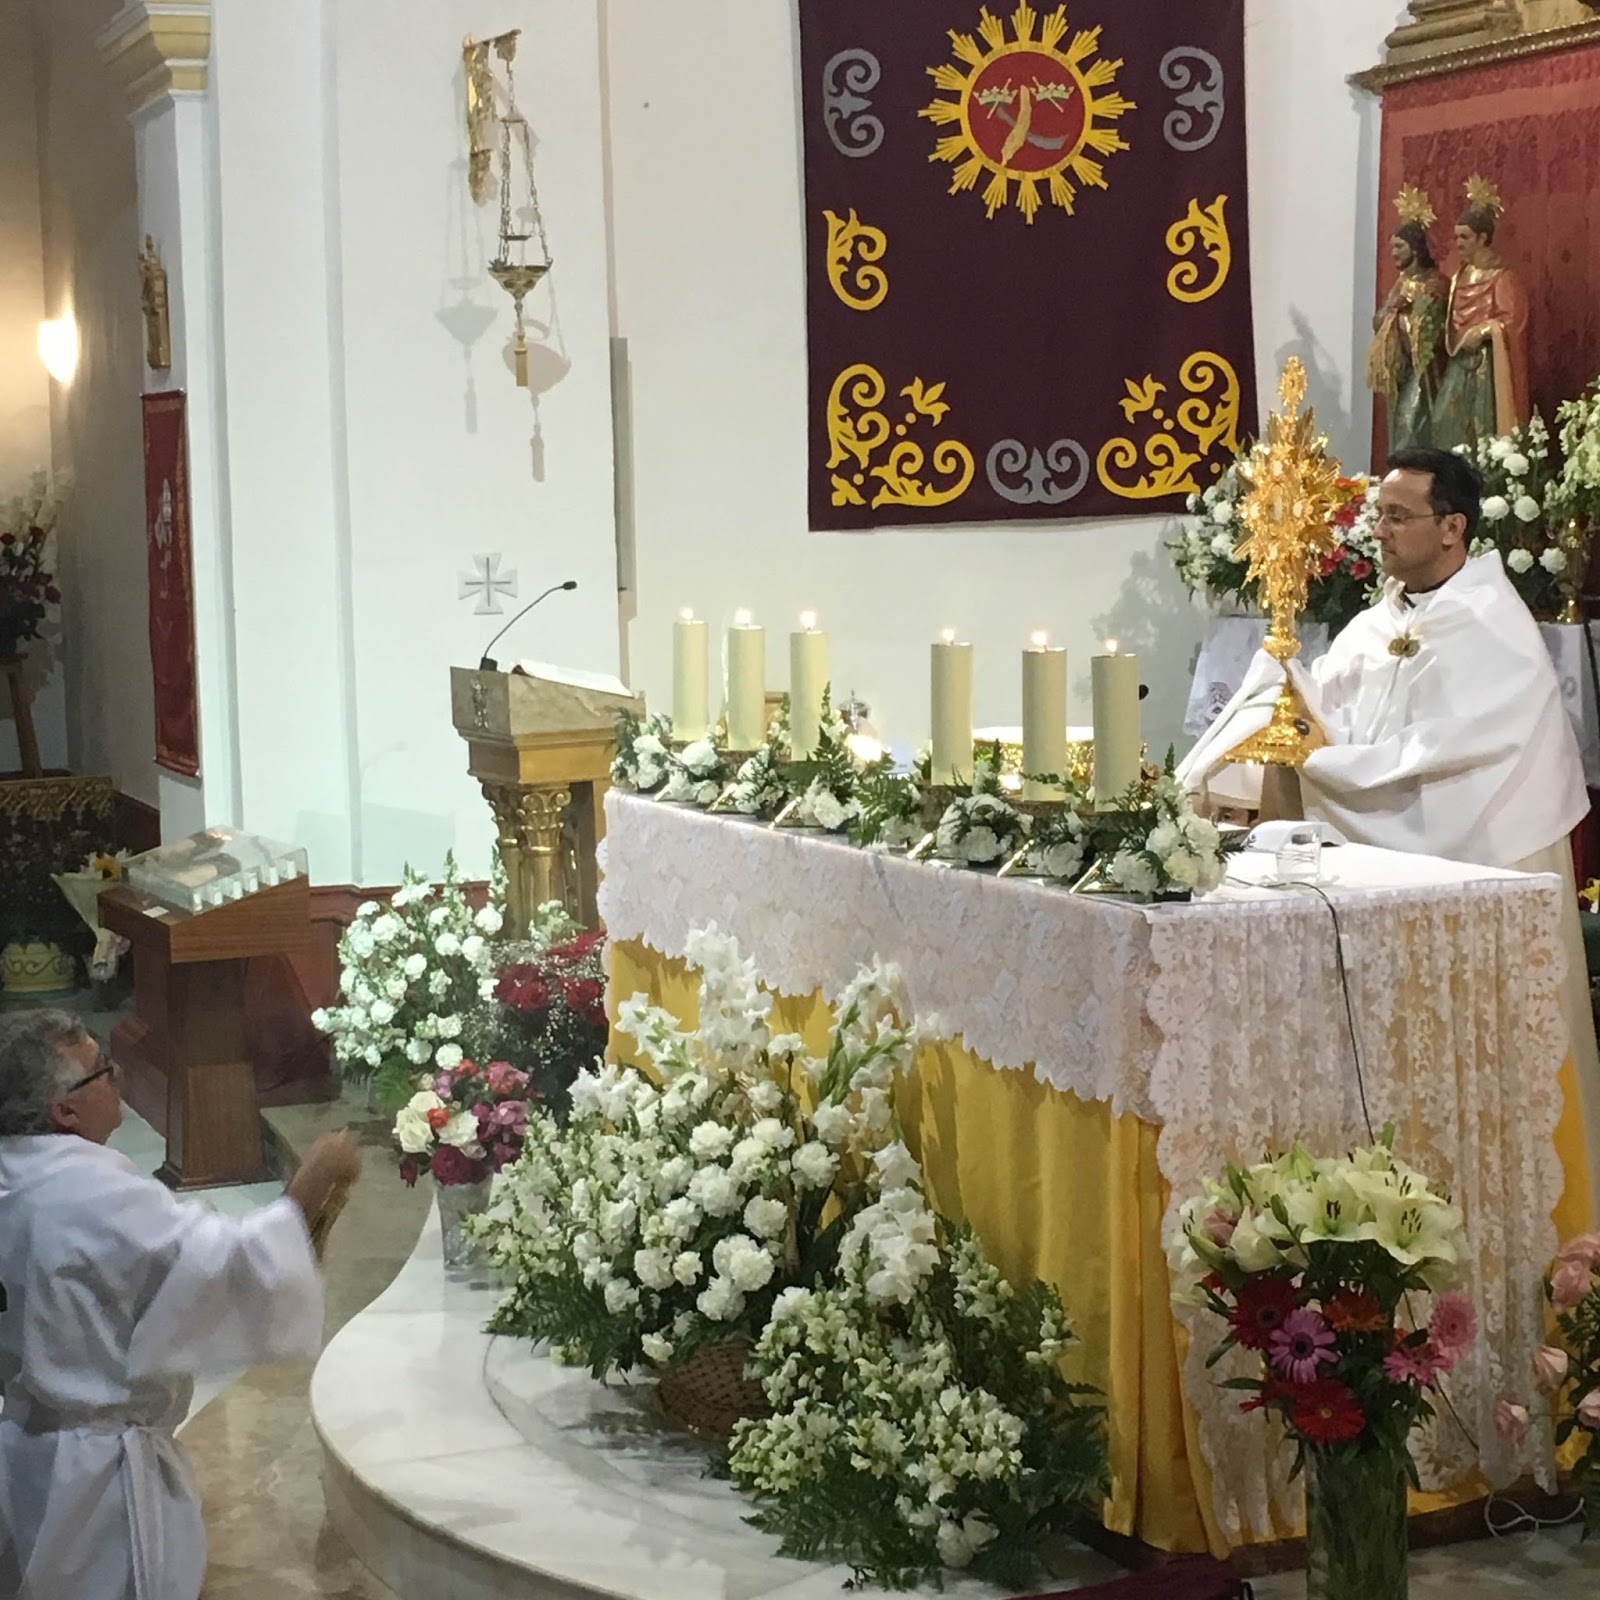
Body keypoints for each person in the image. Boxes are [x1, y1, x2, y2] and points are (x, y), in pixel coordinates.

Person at [1179, 446, 1599, 1185]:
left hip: (1488, 864)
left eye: (1398, 517)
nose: (1379, 530)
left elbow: (1449, 755)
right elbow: (1331, 712)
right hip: (1391, 874)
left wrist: (1321, 765)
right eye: (1379, 515)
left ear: (1453, 527)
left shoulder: (1492, 628)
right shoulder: (1380, 621)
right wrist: (1281, 693)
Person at [0, 1010, 361, 1600]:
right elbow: (225, 1264)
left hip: (28, 1444)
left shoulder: (18, 1173)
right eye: (101, 1071)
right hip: (98, 1475)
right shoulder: (88, 1195)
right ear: (64, 1111)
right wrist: (310, 1185)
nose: (116, 1076)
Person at [1433, 177, 1531, 449]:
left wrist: (1485, 330)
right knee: (1443, 421)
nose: (1458, 243)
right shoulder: (1459, 277)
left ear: (1483, 238)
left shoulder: (1503, 277)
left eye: (1464, 237)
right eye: (1456, 237)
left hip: (1488, 365)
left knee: (1483, 428)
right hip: (1459, 359)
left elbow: (1513, 320)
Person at [1365, 213, 1448, 453]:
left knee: (1412, 426)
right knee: (1399, 428)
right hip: (1401, 369)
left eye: (1399, 246)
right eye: (1392, 247)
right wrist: (1392, 310)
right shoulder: (1400, 283)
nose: (1394, 253)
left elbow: (1432, 329)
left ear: (1415, 248)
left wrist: (1402, 317)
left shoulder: (1435, 283)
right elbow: (1378, 321)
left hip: (1424, 371)